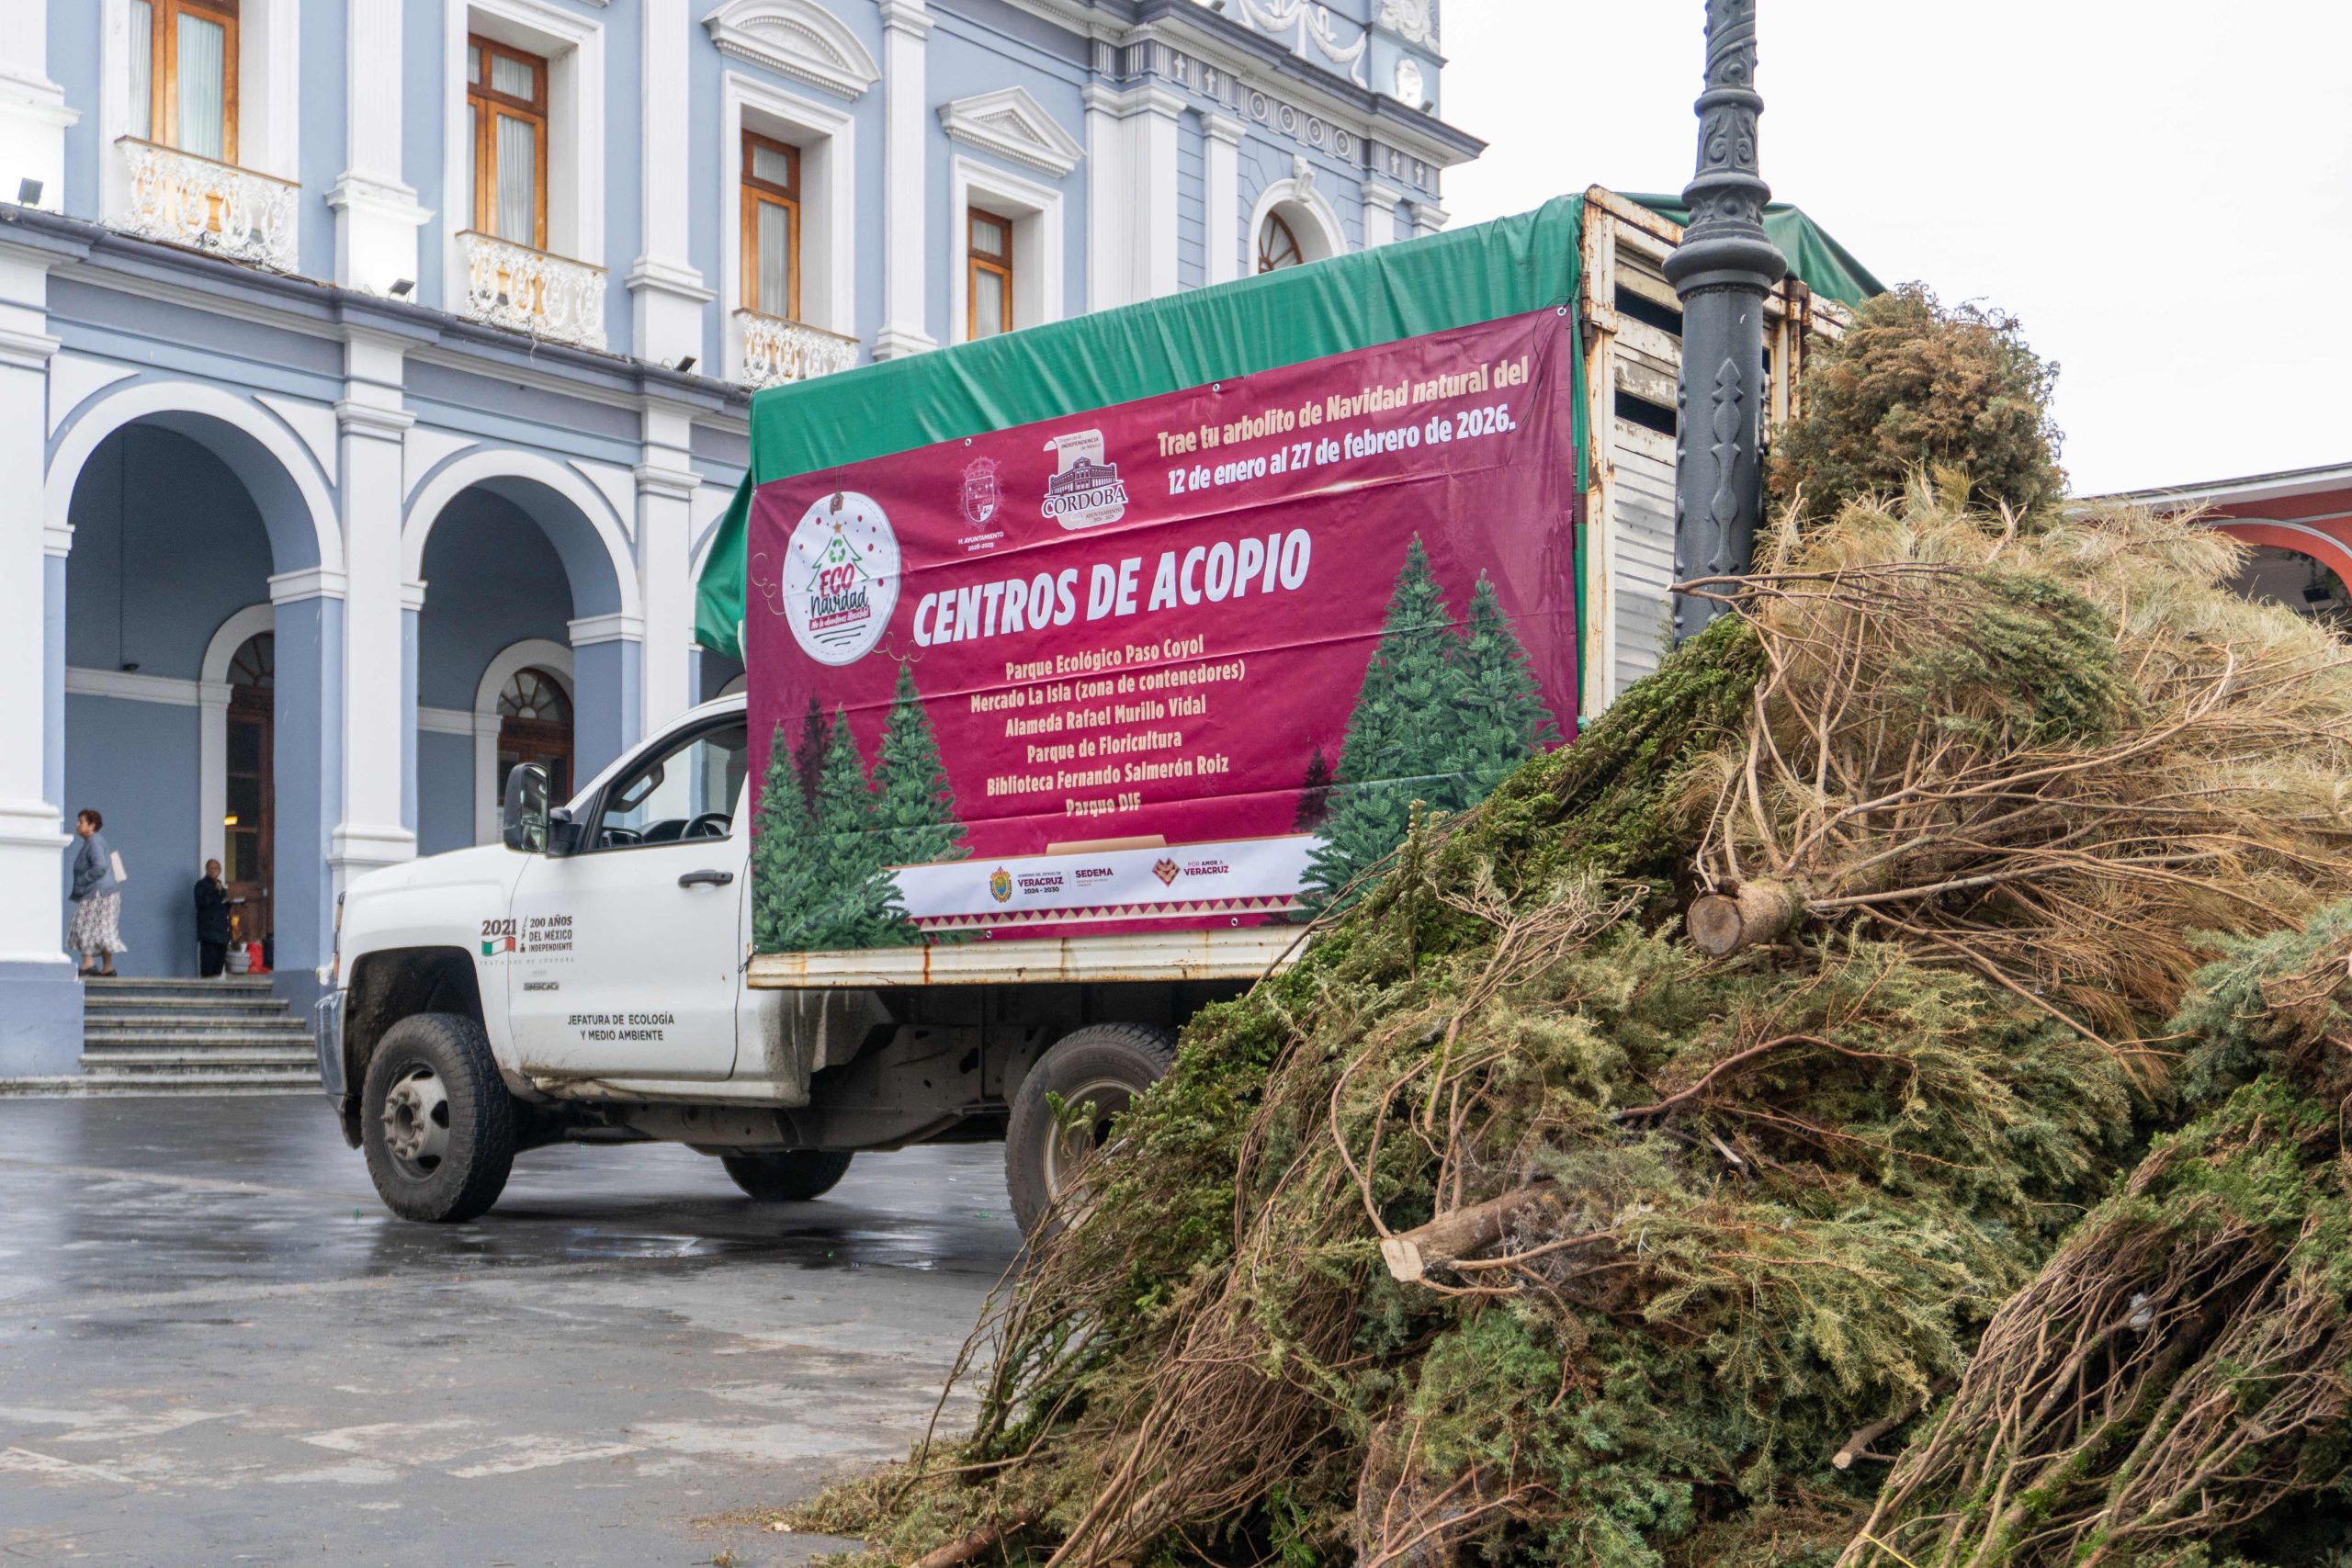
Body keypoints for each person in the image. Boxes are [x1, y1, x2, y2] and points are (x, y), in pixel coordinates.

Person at [68, 808, 125, 978]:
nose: (77, 825)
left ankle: (88, 963)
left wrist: (82, 880)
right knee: (103, 928)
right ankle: (107, 967)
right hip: (105, 892)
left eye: (81, 822)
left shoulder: (93, 842)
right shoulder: (94, 842)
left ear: (91, 825)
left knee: (83, 925)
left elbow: (99, 867)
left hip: (97, 893)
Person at [195, 859, 232, 978]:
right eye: (210, 868)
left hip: (221, 932)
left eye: (216, 869)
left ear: (220, 871)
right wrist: (213, 890)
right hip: (208, 932)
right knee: (207, 967)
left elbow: (226, 906)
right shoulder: (201, 885)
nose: (213, 871)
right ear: (206, 870)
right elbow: (202, 903)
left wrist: (225, 896)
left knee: (218, 967)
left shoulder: (221, 887)